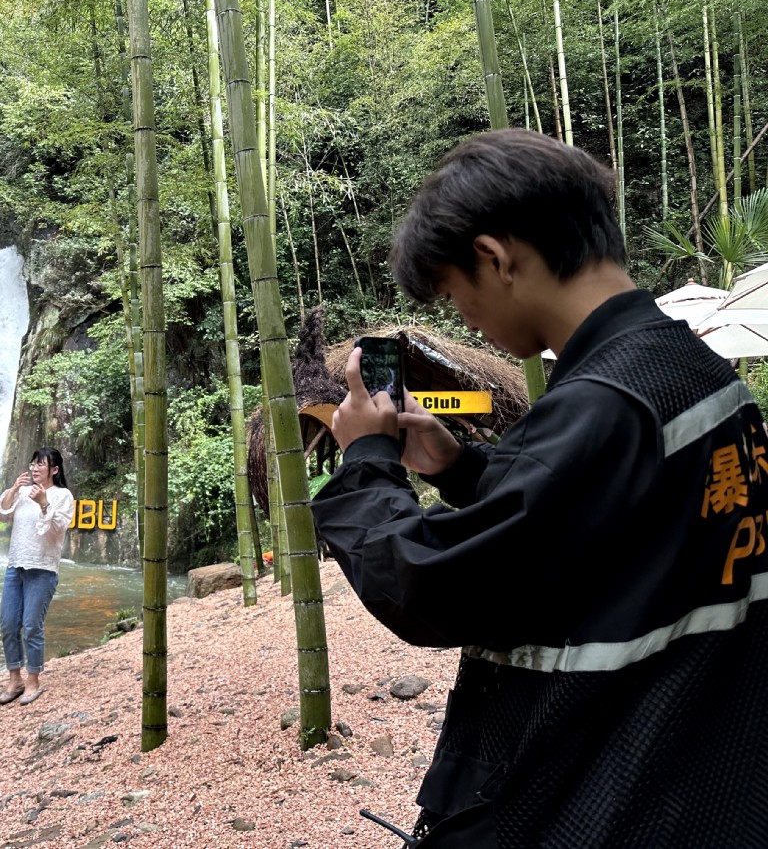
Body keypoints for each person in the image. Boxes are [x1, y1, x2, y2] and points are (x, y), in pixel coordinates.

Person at [310, 129, 768, 846]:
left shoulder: (604, 401)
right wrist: (463, 468)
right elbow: (603, 530)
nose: (465, 319)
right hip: (699, 774)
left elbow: (433, 587)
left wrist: (366, 457)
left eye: (457, 293)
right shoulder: (694, 372)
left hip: (598, 797)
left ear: (497, 258)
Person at [0, 448, 74, 706]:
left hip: (43, 569)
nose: (35, 468)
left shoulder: (63, 495)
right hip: (15, 566)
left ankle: (33, 680)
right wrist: (14, 490)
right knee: (8, 623)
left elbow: (58, 529)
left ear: (54, 469)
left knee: (31, 626)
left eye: (41, 464)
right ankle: (14, 678)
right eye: (33, 464)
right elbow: (1, 514)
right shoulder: (24, 493)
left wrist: (43, 502)